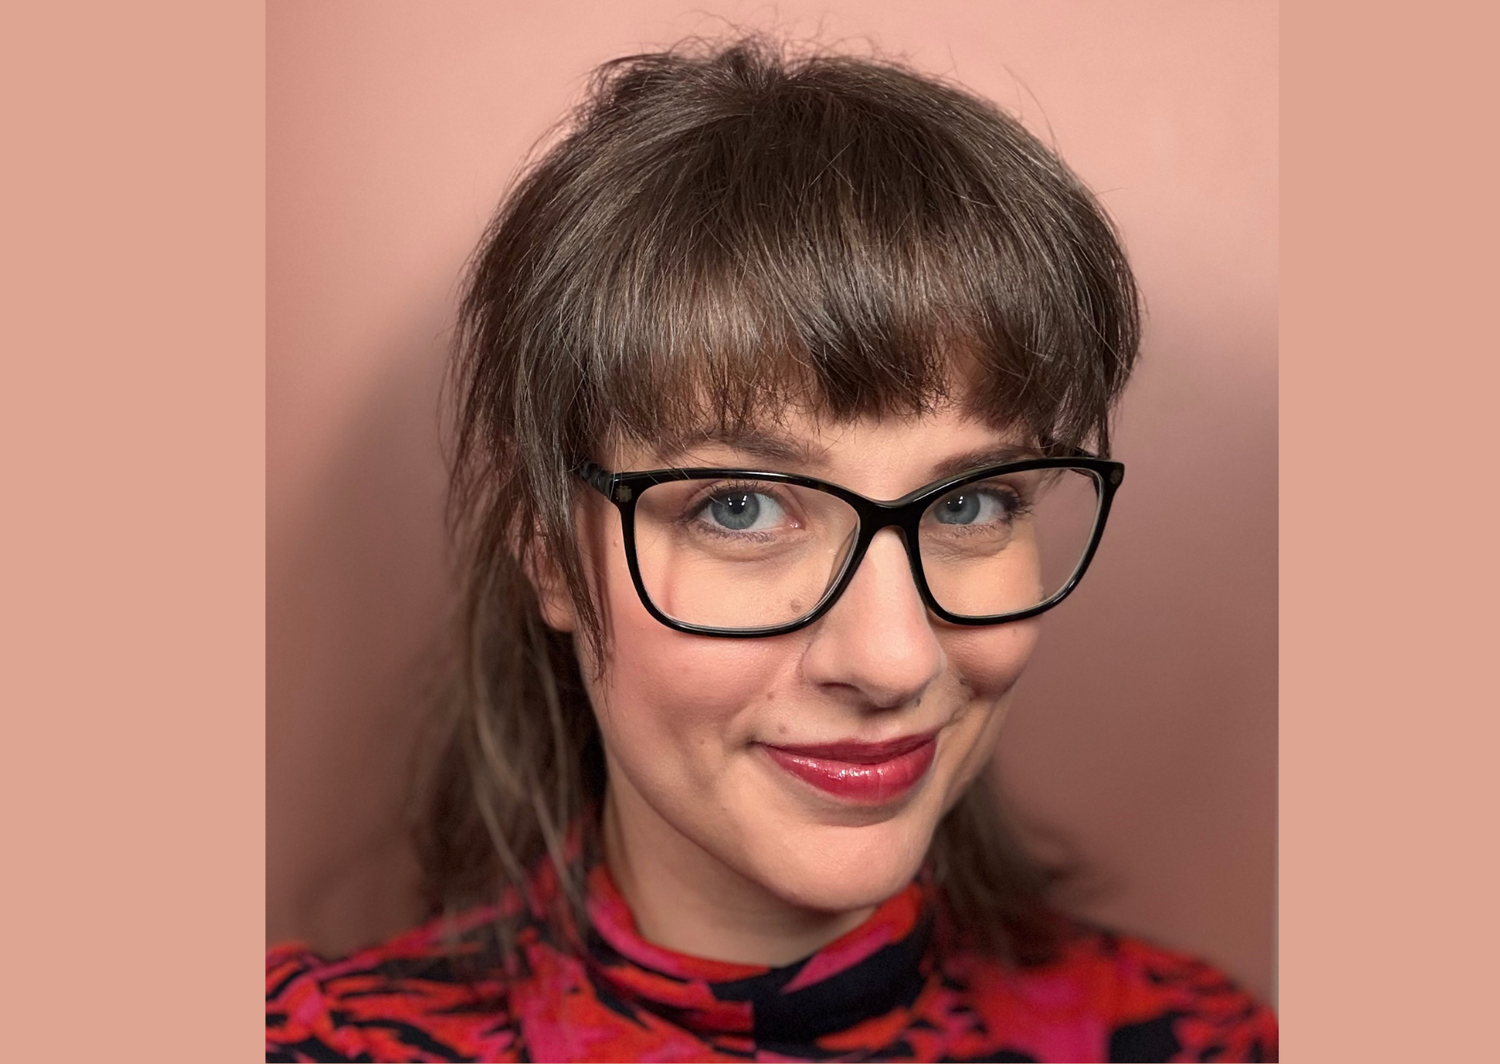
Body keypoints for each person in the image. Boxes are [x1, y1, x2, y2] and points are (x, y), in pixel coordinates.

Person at [266, 37, 1277, 1063]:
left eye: (971, 502)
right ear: (549, 551)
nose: (894, 660)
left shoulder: (1197, 1044)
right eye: (742, 507)